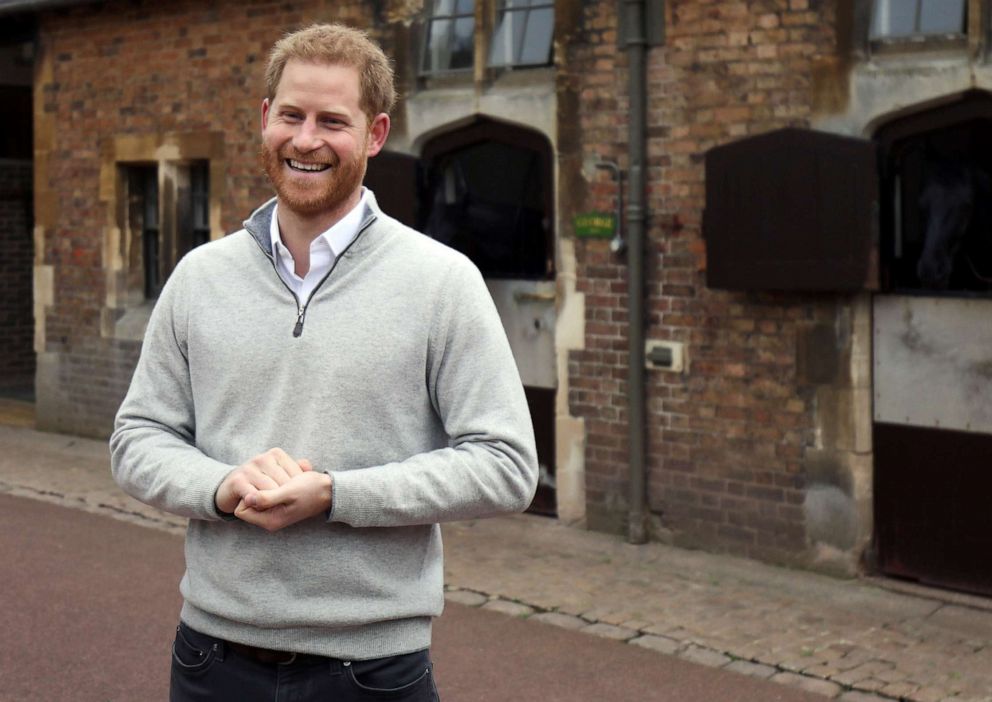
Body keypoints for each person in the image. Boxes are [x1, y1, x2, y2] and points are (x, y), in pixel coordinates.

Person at [110, 23, 538, 702]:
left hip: (370, 671)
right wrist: (223, 486)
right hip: (210, 662)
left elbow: (507, 466)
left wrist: (338, 495)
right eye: (291, 116)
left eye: (332, 121)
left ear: (373, 134)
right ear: (265, 120)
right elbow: (137, 439)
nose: (306, 140)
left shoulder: (441, 282)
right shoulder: (200, 277)